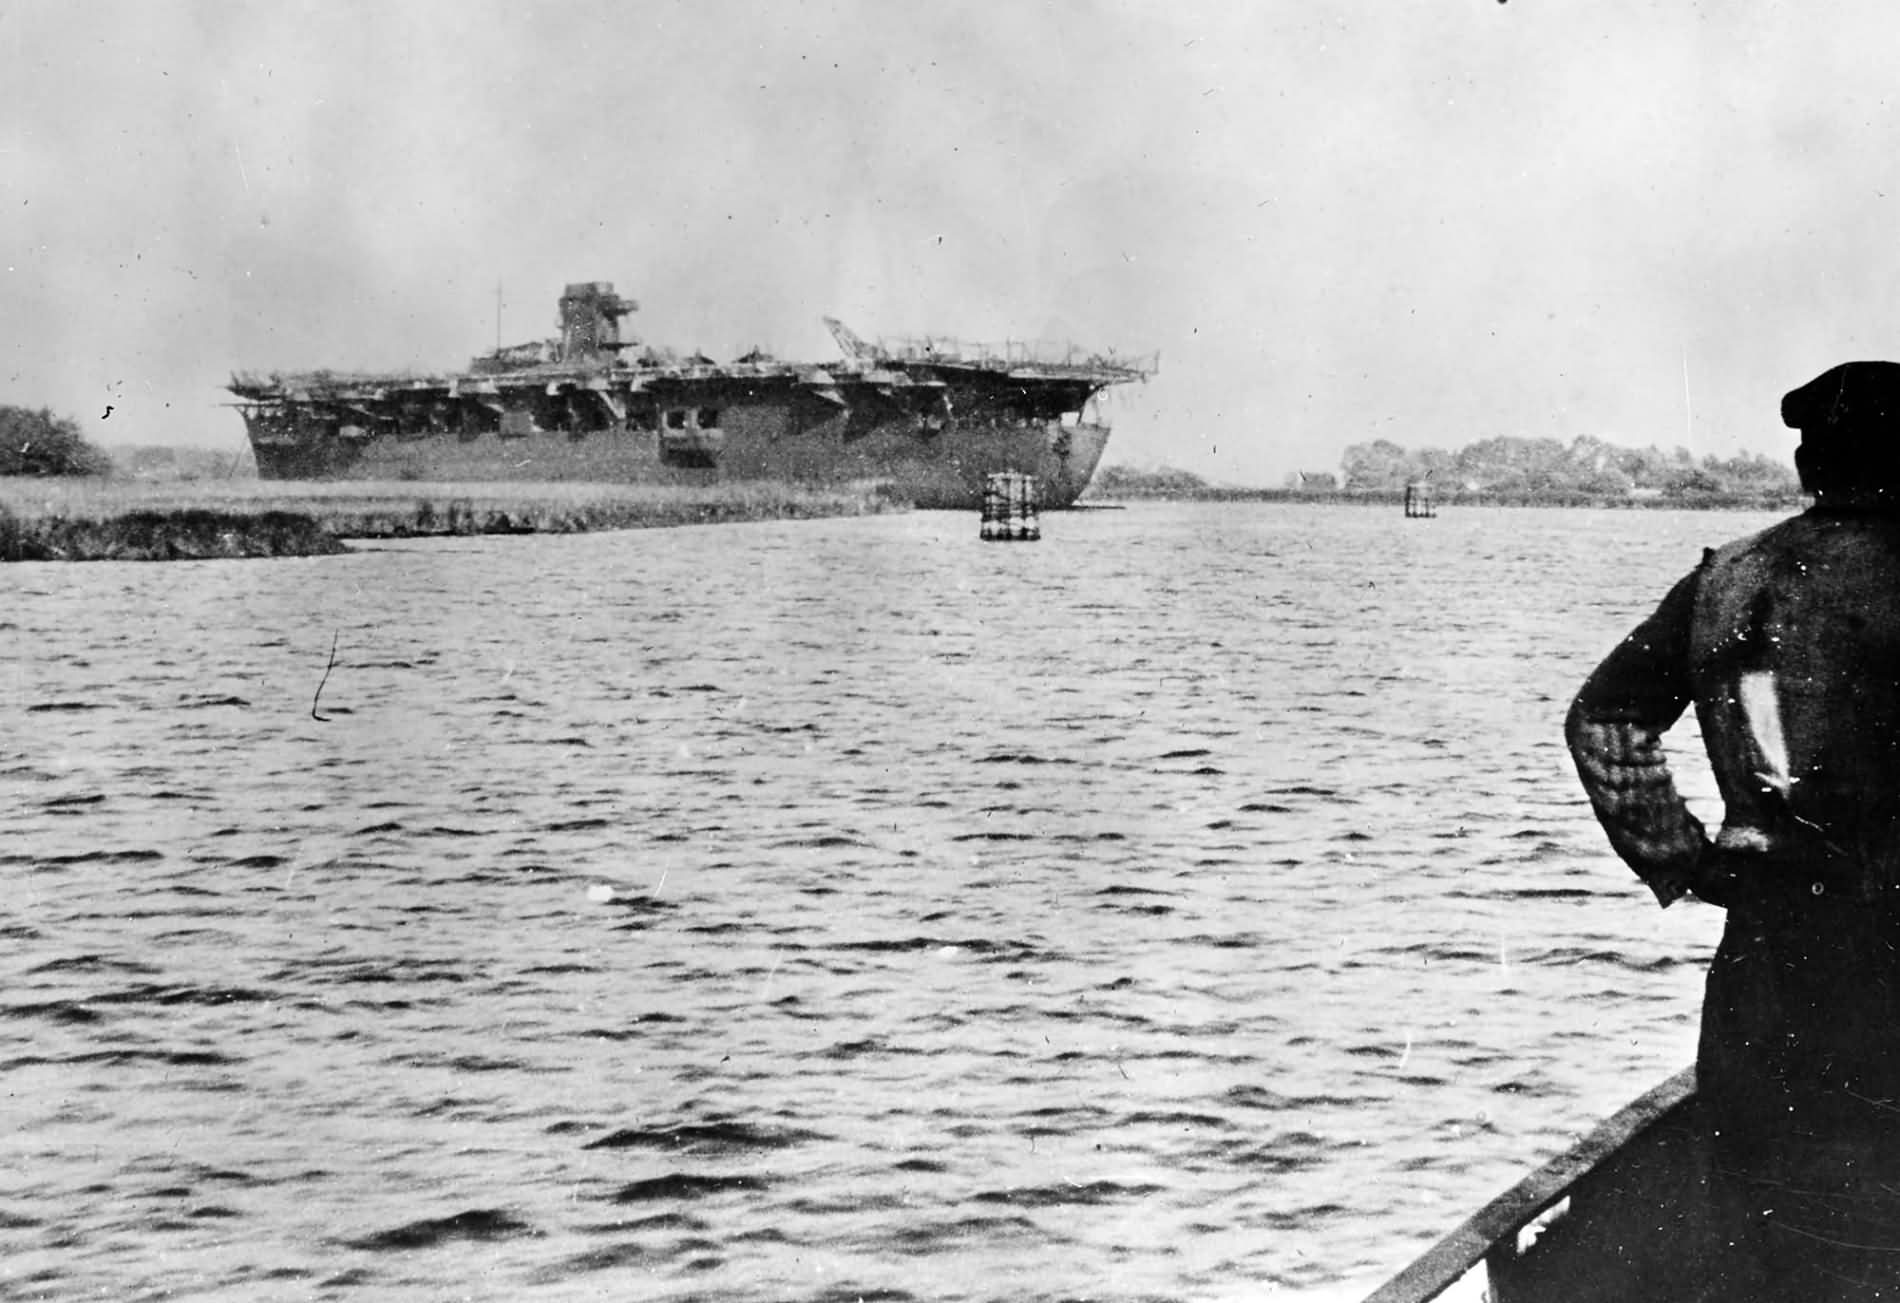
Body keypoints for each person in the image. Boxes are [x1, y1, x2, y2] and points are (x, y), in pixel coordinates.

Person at [1567, 360, 1900, 1300]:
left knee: (1786, 1234)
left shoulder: (1727, 582)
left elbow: (1604, 718)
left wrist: (1689, 861)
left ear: (1809, 460)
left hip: (1770, 971)